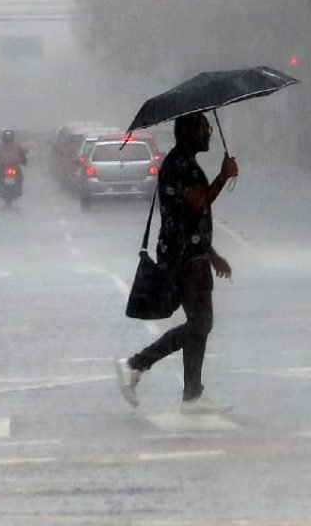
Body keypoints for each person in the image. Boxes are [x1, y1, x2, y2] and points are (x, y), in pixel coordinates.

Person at [115, 112, 238, 414]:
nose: (208, 133)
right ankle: (135, 364)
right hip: (183, 259)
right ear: (186, 132)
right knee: (201, 323)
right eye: (203, 128)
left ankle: (192, 396)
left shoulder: (185, 163)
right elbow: (198, 202)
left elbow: (190, 218)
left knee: (200, 324)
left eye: (208, 128)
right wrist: (224, 175)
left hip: (192, 255)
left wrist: (212, 254)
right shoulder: (178, 165)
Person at [0, 130, 28, 196]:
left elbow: (22, 154)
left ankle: (17, 189)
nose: (8, 139)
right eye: (7, 137)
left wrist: (23, 159)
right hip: (3, 166)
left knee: (19, 177)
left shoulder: (17, 146)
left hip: (14, 166)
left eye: (9, 137)